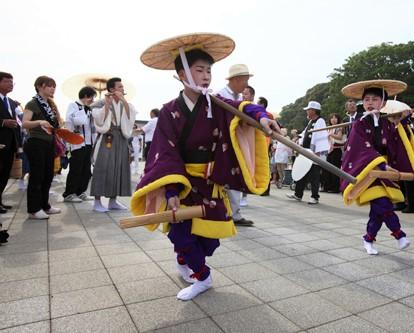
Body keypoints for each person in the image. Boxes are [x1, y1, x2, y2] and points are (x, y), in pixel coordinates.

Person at [131, 33, 278, 300]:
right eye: (199, 69)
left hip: (211, 183)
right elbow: (165, 153)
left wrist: (263, 118)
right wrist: (172, 191)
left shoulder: (217, 104)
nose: (206, 75)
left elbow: (243, 108)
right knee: (181, 233)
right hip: (183, 181)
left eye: (209, 70)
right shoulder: (169, 111)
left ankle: (187, 259)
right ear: (182, 74)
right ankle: (203, 277)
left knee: (209, 241)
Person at [340, 80, 414, 255]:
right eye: (367, 99)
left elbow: (396, 141)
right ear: (362, 103)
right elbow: (361, 148)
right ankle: (399, 235)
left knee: (378, 210)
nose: (370, 103)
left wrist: (403, 119)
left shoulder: (386, 122)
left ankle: (368, 239)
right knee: (383, 204)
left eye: (375, 99)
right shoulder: (360, 124)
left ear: (383, 103)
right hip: (368, 170)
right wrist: (381, 164)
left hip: (385, 170)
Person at [90, 77, 136, 212]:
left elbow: (130, 117)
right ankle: (97, 202)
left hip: (121, 138)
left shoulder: (125, 103)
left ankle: (113, 201)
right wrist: (107, 104)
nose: (122, 89)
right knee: (102, 167)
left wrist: (123, 100)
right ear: (111, 89)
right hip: (107, 137)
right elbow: (98, 118)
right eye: (120, 87)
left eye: (122, 87)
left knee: (119, 168)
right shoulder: (100, 103)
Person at [217, 64, 255, 226]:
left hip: (235, 143)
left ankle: (235, 213)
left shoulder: (239, 98)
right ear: (236, 80)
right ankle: (223, 213)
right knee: (221, 179)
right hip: (221, 143)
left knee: (235, 177)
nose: (246, 85)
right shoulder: (219, 95)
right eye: (245, 81)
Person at [22, 76, 62, 219]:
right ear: (40, 86)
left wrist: (57, 119)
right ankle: (34, 209)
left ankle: (44, 205)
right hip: (36, 142)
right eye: (49, 86)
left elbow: (56, 126)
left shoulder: (50, 105)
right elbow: (25, 123)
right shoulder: (33, 103)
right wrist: (39, 121)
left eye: (54, 86)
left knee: (47, 176)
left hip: (49, 142)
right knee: (37, 176)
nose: (53, 89)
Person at [287, 101, 329, 204]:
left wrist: (318, 153)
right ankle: (298, 194)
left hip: (314, 153)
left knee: (314, 176)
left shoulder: (320, 121)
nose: (307, 111)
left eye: (308, 110)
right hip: (305, 152)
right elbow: (304, 134)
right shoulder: (310, 122)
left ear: (314, 111)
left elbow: (321, 137)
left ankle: (315, 197)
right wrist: (298, 141)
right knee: (302, 173)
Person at [63, 86, 97, 203]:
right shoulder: (74, 106)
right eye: (92, 97)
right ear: (86, 96)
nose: (93, 100)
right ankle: (69, 193)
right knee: (75, 169)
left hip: (88, 143)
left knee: (86, 170)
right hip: (77, 143)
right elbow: (73, 121)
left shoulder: (89, 109)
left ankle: (80, 191)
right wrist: (84, 109)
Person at [0, 72, 21, 213]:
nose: (10, 84)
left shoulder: (12, 102)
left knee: (4, 174)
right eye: (7, 81)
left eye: (12, 81)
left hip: (10, 143)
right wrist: (3, 122)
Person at [240, 85, 256, 206]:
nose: (243, 96)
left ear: (251, 96)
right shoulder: (239, 106)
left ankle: (245, 196)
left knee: (248, 167)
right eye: (242, 94)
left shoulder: (253, 109)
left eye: (245, 94)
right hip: (238, 140)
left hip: (249, 141)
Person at [322, 113, 345, 193]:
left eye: (335, 118)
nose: (333, 119)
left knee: (335, 169)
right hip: (329, 150)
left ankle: (335, 188)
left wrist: (331, 134)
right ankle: (327, 187)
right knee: (327, 169)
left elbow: (340, 137)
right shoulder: (328, 128)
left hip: (336, 150)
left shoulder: (339, 127)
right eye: (332, 118)